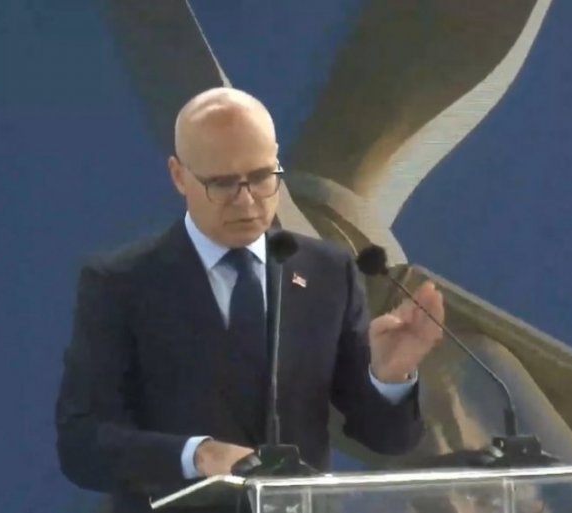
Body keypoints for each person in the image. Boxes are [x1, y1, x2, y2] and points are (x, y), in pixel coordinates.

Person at [55, 87, 446, 512]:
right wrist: (198, 456)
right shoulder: (122, 283)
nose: (247, 200)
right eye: (223, 183)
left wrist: (389, 376)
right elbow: (82, 443)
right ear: (179, 176)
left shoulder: (327, 272)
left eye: (261, 177)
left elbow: (387, 440)